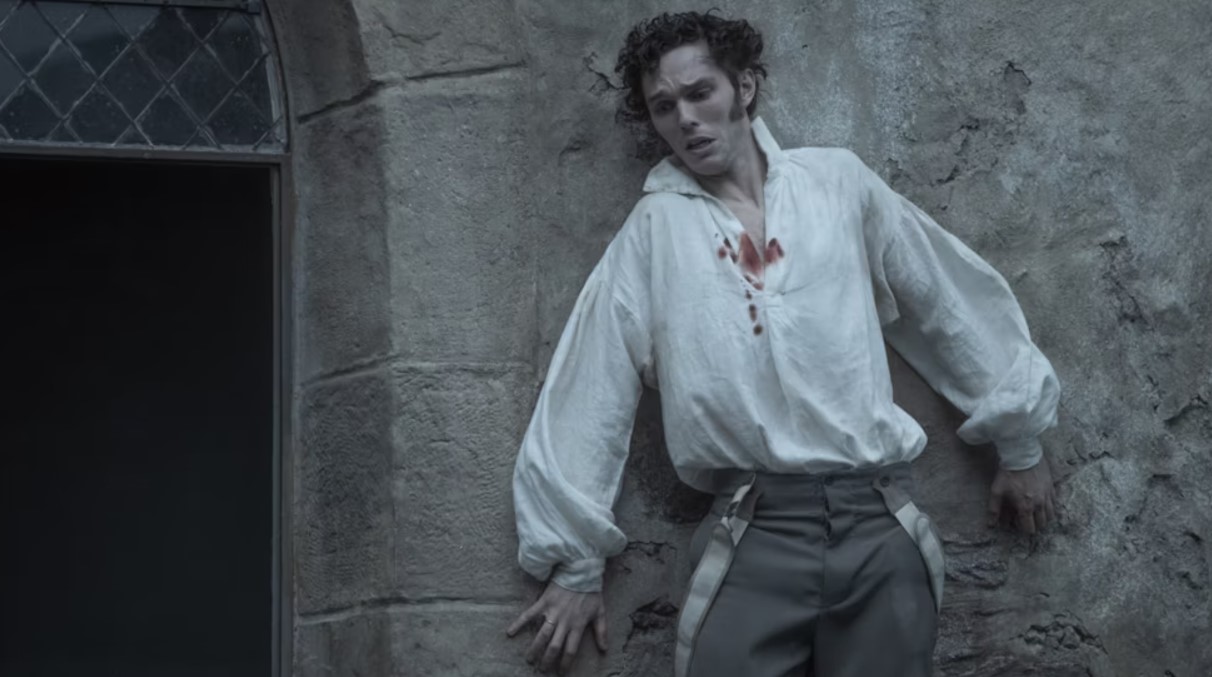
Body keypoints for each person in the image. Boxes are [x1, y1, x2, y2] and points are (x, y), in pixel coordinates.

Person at [506, 11, 1060, 677]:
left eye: (700, 92)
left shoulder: (837, 183)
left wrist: (1019, 440)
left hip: (878, 525)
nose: (685, 118)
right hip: (750, 533)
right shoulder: (654, 229)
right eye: (663, 106)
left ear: (743, 86)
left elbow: (943, 296)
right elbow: (594, 377)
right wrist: (575, 561)